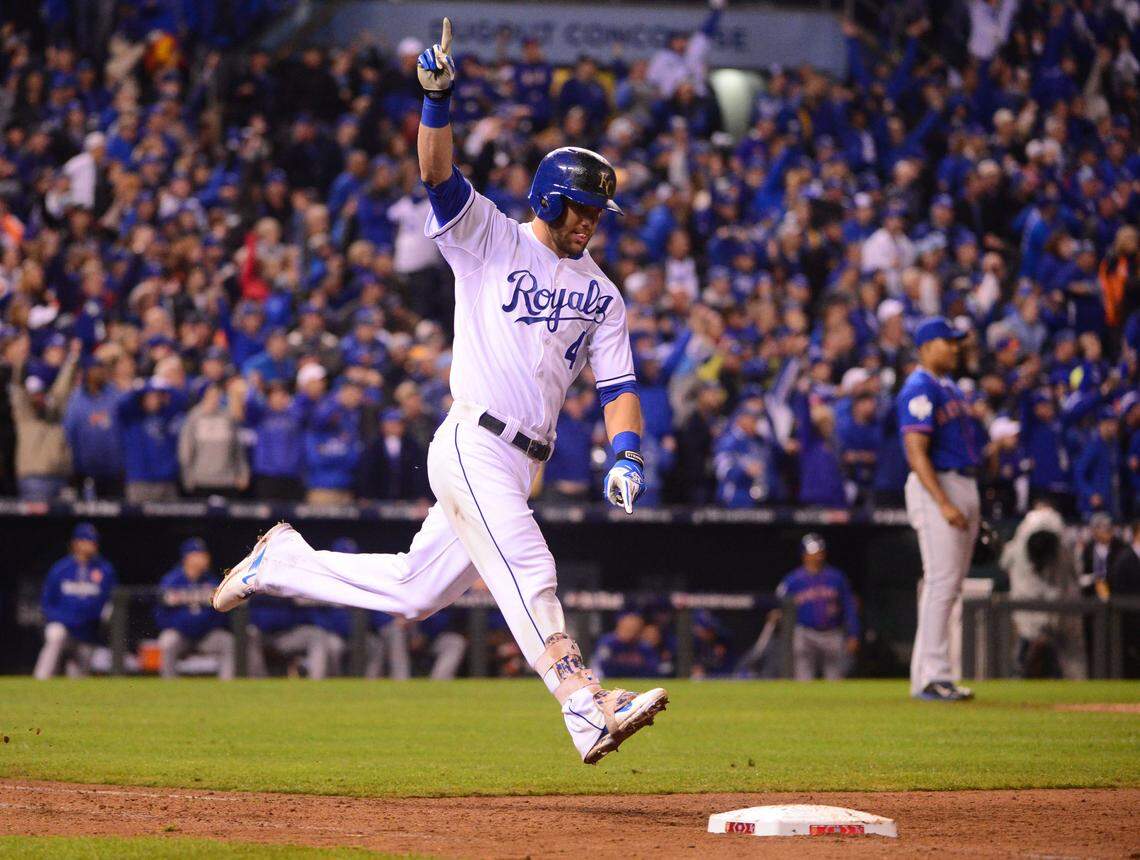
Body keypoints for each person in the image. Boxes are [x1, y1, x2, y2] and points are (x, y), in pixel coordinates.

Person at [214, 19, 666, 766]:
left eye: (598, 213)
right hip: (474, 440)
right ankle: (585, 704)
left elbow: (618, 384)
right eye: (582, 209)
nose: (591, 223)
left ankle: (281, 563)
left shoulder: (604, 294)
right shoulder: (493, 239)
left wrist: (626, 452)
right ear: (551, 200)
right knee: (532, 570)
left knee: (414, 591)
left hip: (527, 462)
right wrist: (436, 103)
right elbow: (438, 177)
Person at [898, 317, 981, 701]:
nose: (954, 348)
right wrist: (944, 502)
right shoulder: (919, 386)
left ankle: (938, 674)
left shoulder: (949, 388)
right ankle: (929, 676)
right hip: (938, 485)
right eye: (947, 342)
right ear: (927, 346)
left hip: (961, 480)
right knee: (941, 582)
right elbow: (915, 450)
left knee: (951, 586)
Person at [1000, 505, 1086, 679]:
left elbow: (1004, 562)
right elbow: (1078, 569)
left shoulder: (1054, 542)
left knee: (1066, 658)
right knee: (1029, 657)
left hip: (1050, 608)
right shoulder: (1028, 538)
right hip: (1050, 607)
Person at [34, 523, 117, 679]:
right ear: (76, 543)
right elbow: (46, 604)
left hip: (88, 632)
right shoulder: (60, 569)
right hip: (64, 628)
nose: (92, 544)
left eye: (94, 541)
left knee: (78, 677)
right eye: (87, 540)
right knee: (55, 634)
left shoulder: (105, 569)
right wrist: (67, 620)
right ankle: (41, 679)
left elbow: (109, 602)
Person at [775, 533, 860, 681]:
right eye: (813, 553)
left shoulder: (836, 577)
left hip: (832, 633)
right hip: (805, 633)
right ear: (804, 555)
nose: (818, 557)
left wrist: (853, 634)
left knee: (835, 680)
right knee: (803, 681)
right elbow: (778, 600)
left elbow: (849, 607)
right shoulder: (793, 580)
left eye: (820, 552)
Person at [154, 538, 235, 679]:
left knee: (227, 642)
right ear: (188, 557)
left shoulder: (212, 582)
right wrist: (183, 625)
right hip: (180, 635)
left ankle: (227, 687)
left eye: (204, 554)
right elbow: (160, 614)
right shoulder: (171, 581)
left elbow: (222, 614)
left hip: (206, 635)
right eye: (200, 554)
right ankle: (168, 687)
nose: (205, 558)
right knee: (167, 641)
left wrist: (203, 625)